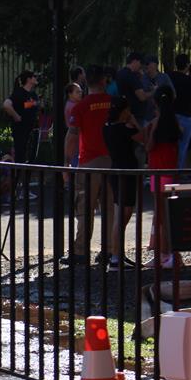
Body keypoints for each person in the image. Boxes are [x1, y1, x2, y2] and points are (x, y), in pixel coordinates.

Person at [63, 65, 113, 266]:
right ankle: (109, 250)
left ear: (87, 83)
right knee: (110, 208)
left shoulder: (80, 107)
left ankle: (81, 251)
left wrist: (66, 161)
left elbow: (72, 135)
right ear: (104, 81)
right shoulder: (114, 103)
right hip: (112, 161)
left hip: (88, 161)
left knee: (85, 208)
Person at [103, 96, 143, 272]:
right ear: (124, 111)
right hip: (126, 172)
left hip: (115, 170)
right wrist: (135, 122)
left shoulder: (107, 128)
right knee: (123, 215)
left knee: (120, 213)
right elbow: (146, 140)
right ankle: (115, 258)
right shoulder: (126, 128)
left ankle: (117, 254)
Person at [144, 86, 182, 269]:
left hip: (157, 172)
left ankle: (166, 254)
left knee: (161, 216)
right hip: (170, 171)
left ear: (155, 102)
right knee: (168, 215)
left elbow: (149, 147)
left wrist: (151, 130)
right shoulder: (175, 122)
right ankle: (167, 254)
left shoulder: (155, 123)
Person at [167, 54, 191, 170]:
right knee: (183, 147)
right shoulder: (190, 81)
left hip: (172, 115)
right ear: (187, 65)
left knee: (171, 145)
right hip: (186, 116)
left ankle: (170, 170)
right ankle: (179, 172)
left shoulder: (169, 76)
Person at [3, 70, 40, 163]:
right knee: (21, 155)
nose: (36, 78)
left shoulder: (33, 94)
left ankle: (27, 176)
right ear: (28, 79)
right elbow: (6, 105)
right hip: (21, 130)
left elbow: (25, 105)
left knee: (32, 157)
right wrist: (16, 116)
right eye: (34, 76)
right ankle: (19, 176)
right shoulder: (19, 93)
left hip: (33, 130)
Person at [116, 52, 151, 126]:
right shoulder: (131, 76)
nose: (141, 66)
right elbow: (142, 97)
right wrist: (154, 91)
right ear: (135, 61)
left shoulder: (120, 73)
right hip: (135, 116)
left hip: (124, 113)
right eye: (140, 62)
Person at [141, 55, 174, 125]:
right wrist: (154, 92)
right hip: (147, 117)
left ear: (155, 65)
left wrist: (160, 92)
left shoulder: (164, 77)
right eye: (145, 64)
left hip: (162, 117)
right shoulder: (142, 78)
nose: (146, 66)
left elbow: (173, 94)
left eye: (148, 63)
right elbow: (141, 96)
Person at [64, 83, 83, 167]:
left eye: (80, 91)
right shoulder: (73, 106)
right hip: (75, 136)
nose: (80, 94)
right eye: (77, 92)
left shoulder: (73, 104)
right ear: (70, 94)